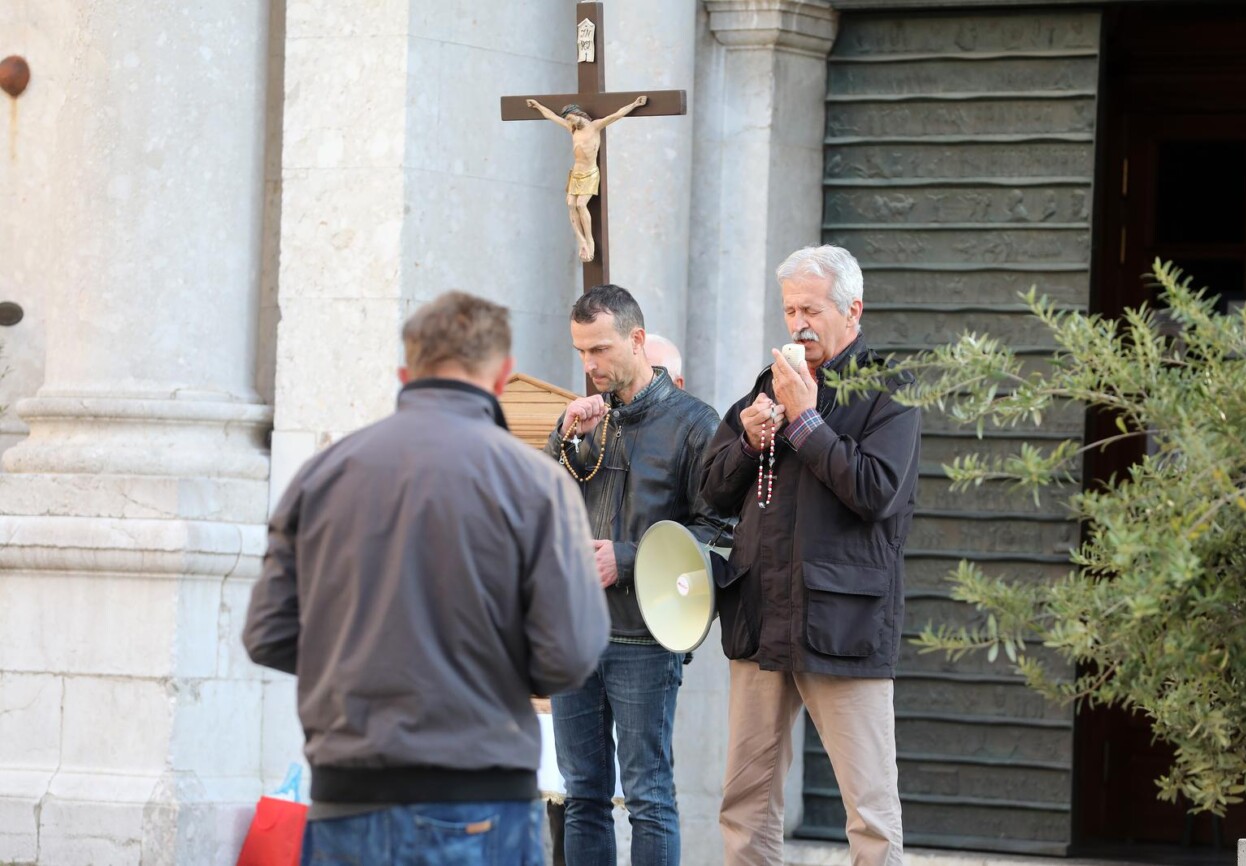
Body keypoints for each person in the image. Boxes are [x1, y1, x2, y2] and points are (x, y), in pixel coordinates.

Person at [243, 291, 610, 866]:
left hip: (347, 795)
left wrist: (355, 664)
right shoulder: (534, 484)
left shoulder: (323, 475)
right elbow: (570, 654)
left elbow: (268, 634)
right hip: (479, 793)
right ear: (503, 375)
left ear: (405, 374)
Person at [700, 245, 921, 866]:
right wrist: (748, 441)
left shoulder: (888, 388)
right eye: (789, 310)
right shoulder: (767, 383)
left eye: (811, 310)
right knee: (744, 804)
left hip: (842, 622)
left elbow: (876, 491)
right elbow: (711, 490)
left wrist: (803, 422)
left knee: (870, 813)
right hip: (760, 614)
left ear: (852, 310)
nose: (797, 324)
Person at [544, 285, 730, 866]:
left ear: (637, 339)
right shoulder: (587, 420)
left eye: (600, 348)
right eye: (581, 351)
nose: (589, 364)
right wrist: (561, 439)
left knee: (648, 797)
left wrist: (626, 559)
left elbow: (716, 532)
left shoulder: (695, 424)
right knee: (582, 796)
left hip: (645, 636)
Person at [525, 96, 647, 262]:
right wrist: (538, 106)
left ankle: (589, 241)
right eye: (568, 120)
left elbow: (617, 115)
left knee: (581, 204)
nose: (570, 122)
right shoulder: (572, 128)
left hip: (589, 172)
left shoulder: (595, 126)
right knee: (570, 204)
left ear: (578, 114)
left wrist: (635, 104)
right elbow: (551, 116)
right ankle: (580, 240)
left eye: (571, 118)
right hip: (576, 172)